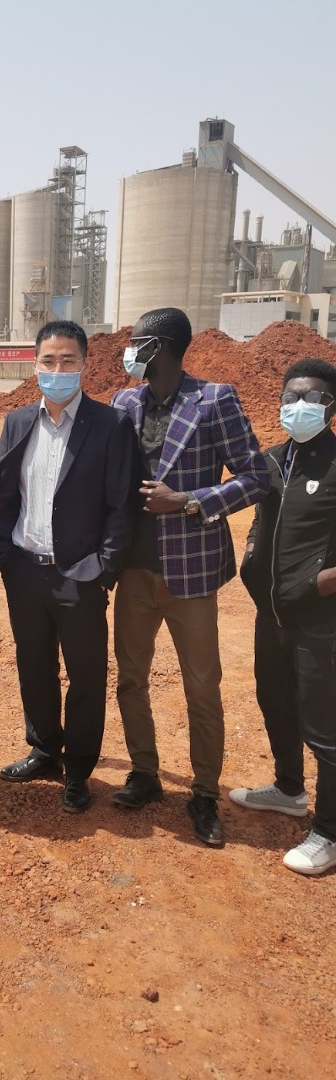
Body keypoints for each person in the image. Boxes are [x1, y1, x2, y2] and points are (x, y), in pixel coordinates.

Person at [110, 307, 269, 846]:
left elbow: (257, 477)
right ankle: (145, 773)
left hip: (191, 574)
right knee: (130, 679)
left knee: (202, 687)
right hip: (133, 571)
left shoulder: (215, 400)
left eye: (136, 343)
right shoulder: (124, 401)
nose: (126, 352)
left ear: (160, 347)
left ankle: (203, 794)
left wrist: (190, 502)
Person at [0, 320, 139, 812]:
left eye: (68, 361)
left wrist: (104, 569)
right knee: (34, 666)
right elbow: (3, 491)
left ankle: (78, 769)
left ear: (86, 365)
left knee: (86, 675)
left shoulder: (110, 426)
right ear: (35, 366)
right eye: (48, 361)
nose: (58, 369)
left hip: (79, 574)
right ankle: (45, 749)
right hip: (25, 571)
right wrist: (3, 556)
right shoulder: (18, 422)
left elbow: (121, 507)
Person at [231, 358, 336, 875]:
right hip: (269, 615)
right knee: (274, 700)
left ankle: (329, 832)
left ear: (331, 407)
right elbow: (259, 521)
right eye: (291, 396)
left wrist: (315, 585)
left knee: (325, 727)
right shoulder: (270, 462)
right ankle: (289, 789)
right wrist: (251, 557)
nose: (299, 406)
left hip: (321, 622)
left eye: (312, 398)